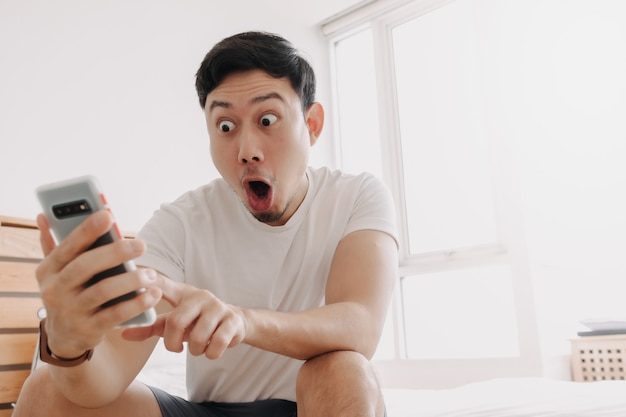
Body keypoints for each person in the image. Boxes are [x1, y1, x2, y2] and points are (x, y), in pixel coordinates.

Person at [14, 31, 398, 417]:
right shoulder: (181, 222)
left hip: (312, 404)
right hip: (209, 410)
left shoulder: (357, 196)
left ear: (312, 124)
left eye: (268, 120)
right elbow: (104, 379)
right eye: (226, 126)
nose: (247, 151)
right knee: (46, 387)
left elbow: (359, 326)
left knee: (345, 369)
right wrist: (67, 346)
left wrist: (243, 321)